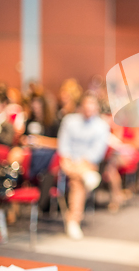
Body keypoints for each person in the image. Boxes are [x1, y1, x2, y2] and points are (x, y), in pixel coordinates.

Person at [57, 92, 110, 240]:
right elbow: (63, 145)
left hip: (88, 163)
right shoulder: (69, 121)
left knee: (77, 183)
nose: (88, 110)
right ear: (81, 107)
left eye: (92, 107)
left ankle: (73, 220)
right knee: (82, 178)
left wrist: (81, 163)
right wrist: (69, 160)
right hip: (68, 161)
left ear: (97, 108)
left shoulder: (102, 126)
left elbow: (97, 152)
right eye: (86, 106)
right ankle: (86, 177)